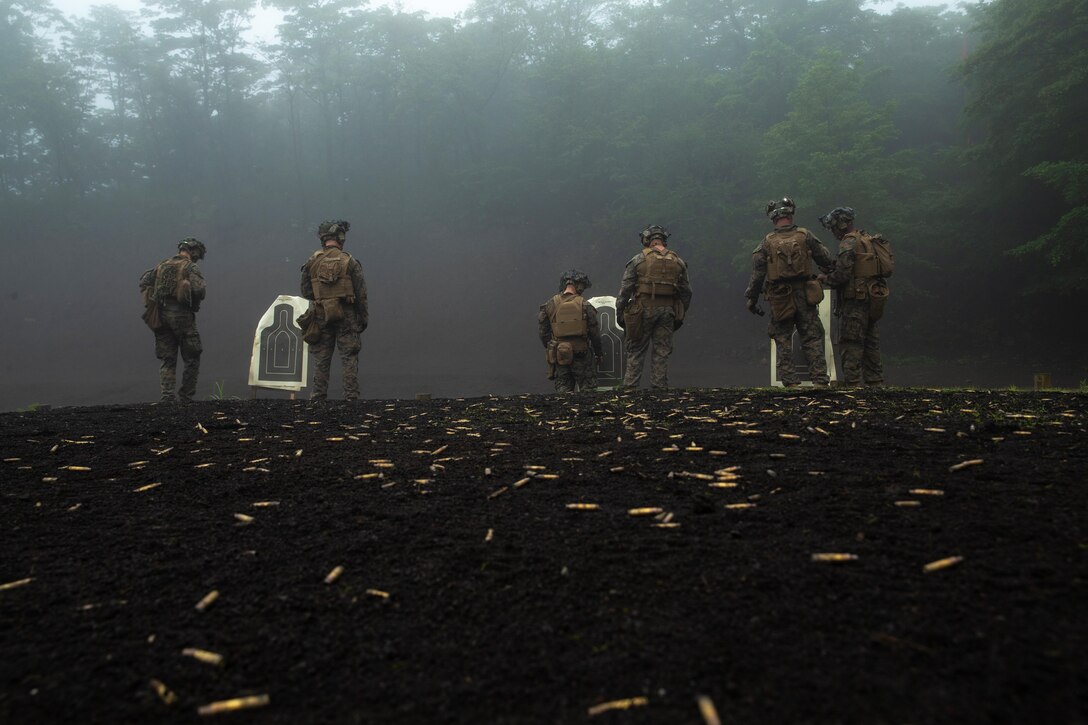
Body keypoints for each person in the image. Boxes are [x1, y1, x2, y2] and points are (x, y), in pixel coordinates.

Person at [744, 198, 834, 387]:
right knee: (812, 337)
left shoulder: (766, 243)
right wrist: (824, 274)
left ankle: (790, 383)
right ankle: (820, 380)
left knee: (783, 338)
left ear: (772, 218)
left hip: (779, 296)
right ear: (791, 215)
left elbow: (757, 275)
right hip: (806, 294)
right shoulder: (805, 236)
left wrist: (751, 299)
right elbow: (825, 258)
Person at [818, 206, 891, 386]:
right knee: (870, 341)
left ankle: (853, 385)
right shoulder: (866, 239)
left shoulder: (848, 242)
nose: (833, 231)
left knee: (851, 343)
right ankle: (875, 382)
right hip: (871, 299)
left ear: (842, 224)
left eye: (834, 226)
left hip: (854, 302)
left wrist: (824, 278)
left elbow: (842, 276)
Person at [615, 224, 693, 390]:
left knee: (636, 350)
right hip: (667, 312)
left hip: (642, 310)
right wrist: (680, 312)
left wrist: (620, 313)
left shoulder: (638, 260)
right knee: (661, 351)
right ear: (663, 240)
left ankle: (630, 388)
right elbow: (687, 292)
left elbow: (625, 291)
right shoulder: (678, 262)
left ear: (646, 240)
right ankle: (659, 388)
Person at [300, 220, 368, 401]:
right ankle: (351, 397)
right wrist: (363, 318)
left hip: (322, 314)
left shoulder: (312, 262)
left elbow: (306, 291)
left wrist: (323, 300)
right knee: (349, 356)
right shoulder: (349, 261)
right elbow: (361, 294)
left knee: (321, 357)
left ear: (323, 239)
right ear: (340, 238)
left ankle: (318, 396)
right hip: (347, 315)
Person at [139, 238, 207, 403]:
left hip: (161, 317)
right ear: (193, 251)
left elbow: (145, 281)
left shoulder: (162, 265)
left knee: (167, 358)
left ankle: (167, 396)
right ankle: (186, 396)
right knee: (192, 356)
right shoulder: (190, 267)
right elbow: (200, 290)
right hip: (183, 317)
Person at [538, 269, 603, 392]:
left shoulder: (550, 304)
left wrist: (553, 347)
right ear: (577, 285)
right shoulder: (584, 304)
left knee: (563, 394)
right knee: (588, 392)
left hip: (560, 355)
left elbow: (543, 332)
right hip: (582, 355)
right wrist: (598, 353)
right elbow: (595, 333)